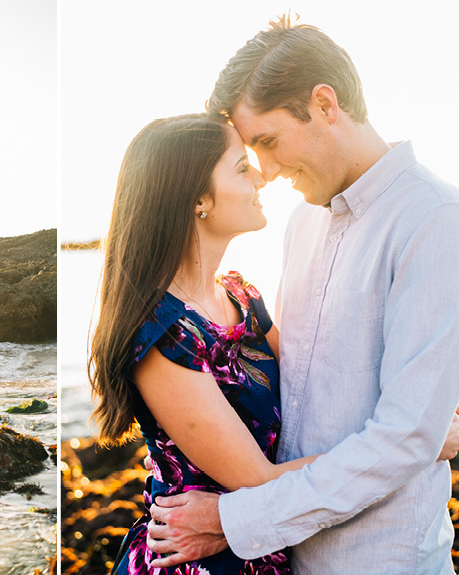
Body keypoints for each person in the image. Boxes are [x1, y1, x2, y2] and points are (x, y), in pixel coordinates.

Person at [145, 16, 459, 574]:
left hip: (382, 558)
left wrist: (234, 519)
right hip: (289, 556)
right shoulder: (301, 224)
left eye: (266, 141)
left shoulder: (434, 220)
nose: (264, 170)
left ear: (324, 103)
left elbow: (406, 435)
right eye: (250, 152)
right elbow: (296, 390)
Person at [90, 113, 323, 574]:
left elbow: (312, 383)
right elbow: (259, 481)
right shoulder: (162, 334)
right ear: (198, 198)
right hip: (195, 562)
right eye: (241, 167)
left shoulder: (241, 295)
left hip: (262, 546)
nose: (261, 175)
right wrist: (405, 443)